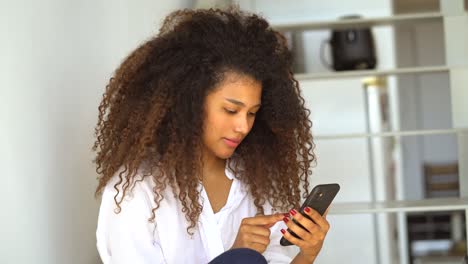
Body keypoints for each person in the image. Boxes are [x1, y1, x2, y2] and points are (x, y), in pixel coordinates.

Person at [93, 7, 331, 264]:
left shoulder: (254, 183)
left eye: (252, 113)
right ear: (190, 101)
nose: (243, 126)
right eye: (231, 110)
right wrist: (237, 255)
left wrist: (308, 253)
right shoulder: (139, 191)